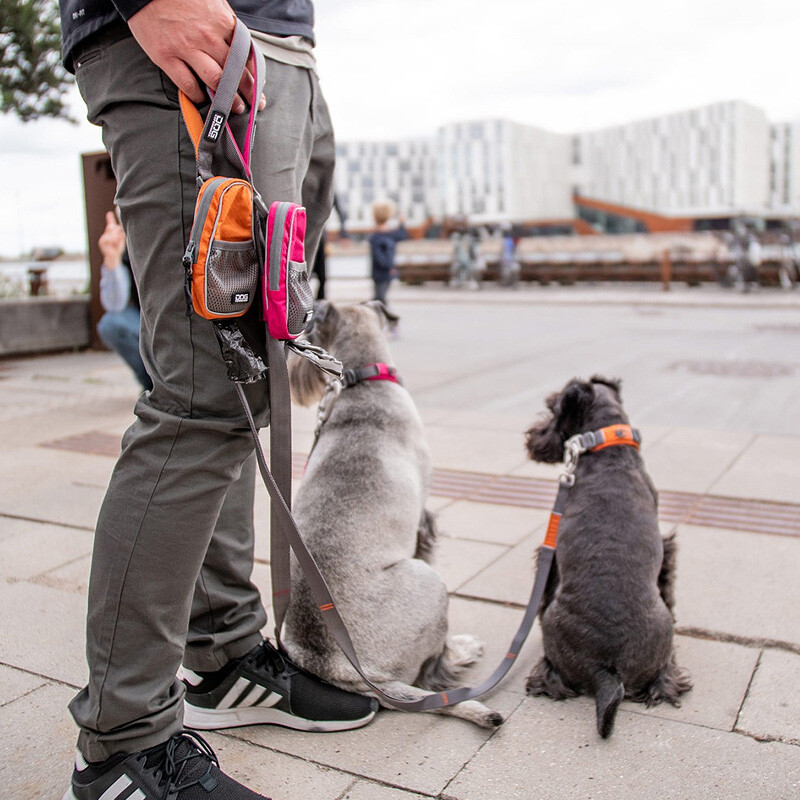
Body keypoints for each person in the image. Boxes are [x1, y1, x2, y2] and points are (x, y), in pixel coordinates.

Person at [58, 1, 377, 799]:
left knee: (244, 383)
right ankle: (121, 742)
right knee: (203, 391)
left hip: (279, 49)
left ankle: (225, 651)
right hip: (189, 38)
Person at [96, 210, 152, 391]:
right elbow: (115, 305)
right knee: (111, 324)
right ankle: (151, 384)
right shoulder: (126, 249)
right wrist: (112, 260)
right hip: (147, 321)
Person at [368, 200, 407, 306]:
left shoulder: (376, 236)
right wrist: (389, 266)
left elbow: (402, 235)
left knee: (379, 298)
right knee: (380, 298)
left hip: (381, 272)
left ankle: (380, 317)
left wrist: (402, 223)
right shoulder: (387, 235)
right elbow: (402, 234)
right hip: (383, 272)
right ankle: (384, 317)